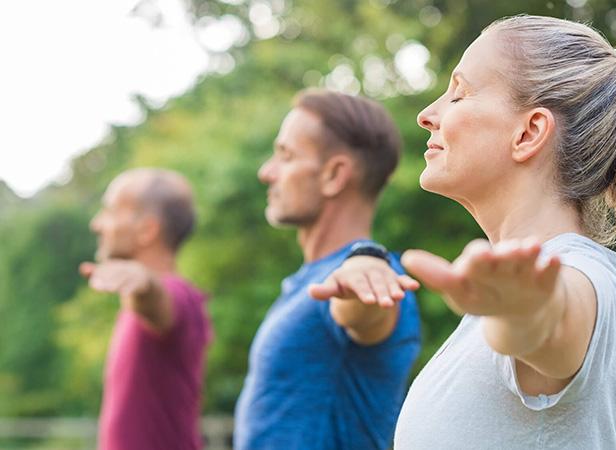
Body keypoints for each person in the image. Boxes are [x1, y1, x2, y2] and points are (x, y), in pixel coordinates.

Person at [325, 14, 616, 449]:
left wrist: (524, 312)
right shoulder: (515, 295)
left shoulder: (581, 280)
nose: (427, 115)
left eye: (459, 93)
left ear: (528, 132)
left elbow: (551, 320)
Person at [233, 89, 421, 450]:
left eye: (285, 156)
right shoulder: (312, 280)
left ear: (334, 175)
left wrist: (364, 267)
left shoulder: (370, 279)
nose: (266, 172)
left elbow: (363, 308)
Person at [80, 168, 213, 450]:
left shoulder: (180, 296)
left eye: (110, 211)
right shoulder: (134, 307)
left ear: (147, 229)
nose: (97, 224)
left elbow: (158, 300)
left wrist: (144, 282)